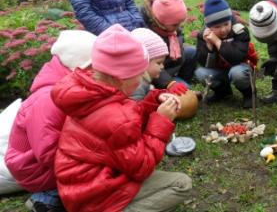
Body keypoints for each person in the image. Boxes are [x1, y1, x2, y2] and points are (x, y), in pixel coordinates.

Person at [51, 24, 192, 211]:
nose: (142, 79)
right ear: (121, 78)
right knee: (181, 184)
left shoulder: (90, 92)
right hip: (96, 197)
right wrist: (161, 121)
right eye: (139, 74)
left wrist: (153, 100)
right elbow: (142, 166)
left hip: (80, 188)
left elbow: (123, 121)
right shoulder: (116, 118)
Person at [5, 30, 97, 211]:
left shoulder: (68, 85)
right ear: (80, 65)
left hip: (46, 159)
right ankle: (48, 197)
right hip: (33, 167)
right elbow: (48, 154)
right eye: (95, 66)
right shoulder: (48, 98)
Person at [195, 0, 258, 109]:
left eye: (226, 24)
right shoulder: (203, 35)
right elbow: (204, 63)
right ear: (209, 26)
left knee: (236, 73)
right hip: (221, 69)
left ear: (230, 20)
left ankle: (249, 94)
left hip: (242, 67)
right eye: (217, 26)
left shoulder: (239, 30)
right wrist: (209, 45)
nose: (223, 29)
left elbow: (236, 58)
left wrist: (217, 42)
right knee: (201, 73)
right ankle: (223, 92)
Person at [140, 0, 197, 88]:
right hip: (158, 75)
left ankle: (184, 80)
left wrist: (178, 42)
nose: (178, 27)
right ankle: (174, 86)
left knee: (191, 51)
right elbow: (153, 67)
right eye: (175, 24)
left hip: (172, 64)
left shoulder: (171, 28)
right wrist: (169, 83)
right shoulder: (148, 37)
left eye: (180, 23)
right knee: (185, 90)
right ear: (160, 22)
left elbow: (179, 37)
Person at [130, 28, 173, 101]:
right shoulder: (137, 87)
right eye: (159, 63)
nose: (162, 67)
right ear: (142, 62)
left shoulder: (144, 79)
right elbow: (134, 110)